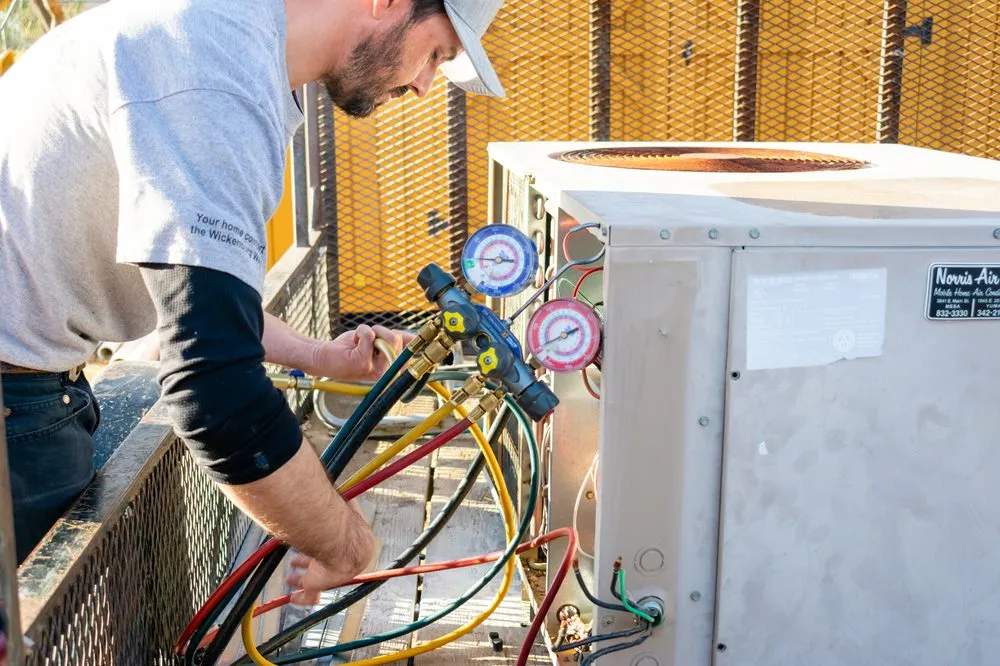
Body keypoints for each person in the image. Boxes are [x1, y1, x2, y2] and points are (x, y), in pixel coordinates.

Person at [0, 0, 506, 606]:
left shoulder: (220, 37)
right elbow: (214, 389)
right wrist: (346, 545)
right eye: (436, 54)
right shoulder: (216, 77)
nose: (425, 85)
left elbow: (199, 300)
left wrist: (316, 355)